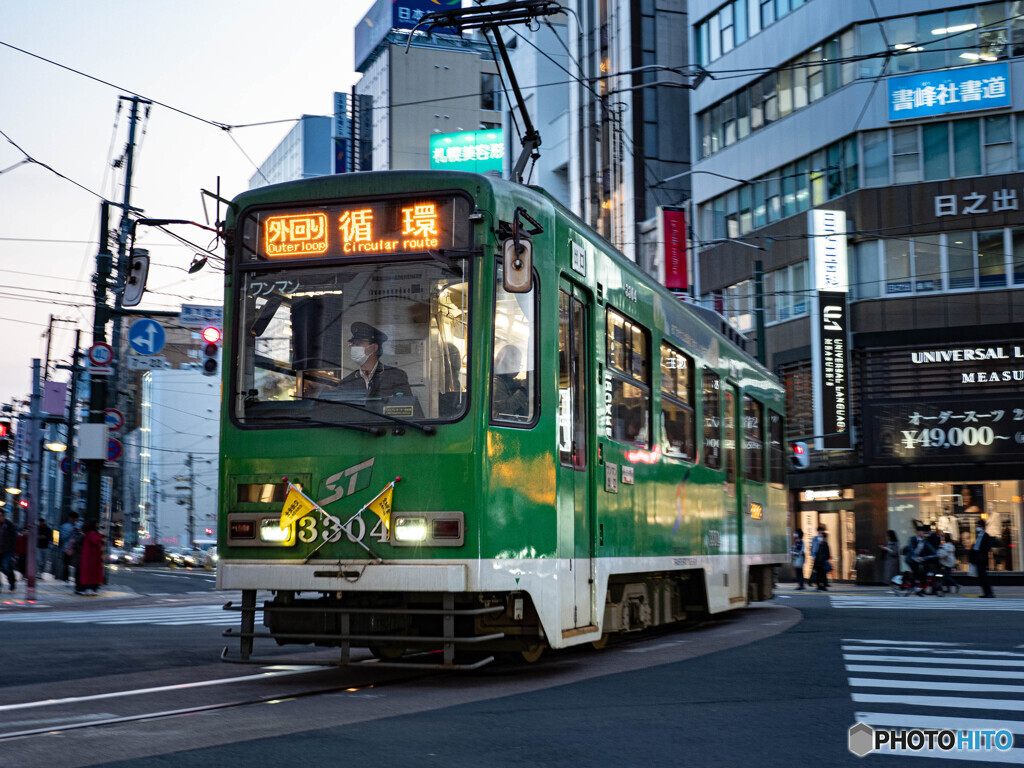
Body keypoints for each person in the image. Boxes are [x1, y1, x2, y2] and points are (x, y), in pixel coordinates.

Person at [334, 322, 412, 401]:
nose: (354, 347)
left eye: (359, 343)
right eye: (353, 344)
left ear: (374, 347)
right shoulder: (346, 383)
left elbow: (407, 408)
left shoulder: (396, 376)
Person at [492, 344, 529, 419]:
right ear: (503, 362)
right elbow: (505, 411)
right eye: (514, 363)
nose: (517, 367)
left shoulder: (508, 380)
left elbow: (516, 383)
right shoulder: (496, 383)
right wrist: (522, 391)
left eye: (519, 364)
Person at [908, 525, 939, 595]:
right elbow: (911, 548)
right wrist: (916, 556)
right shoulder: (912, 539)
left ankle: (919, 588)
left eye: (924, 532)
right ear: (917, 532)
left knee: (922, 572)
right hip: (911, 558)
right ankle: (913, 586)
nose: (923, 533)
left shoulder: (924, 541)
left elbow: (931, 549)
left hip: (919, 559)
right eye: (922, 532)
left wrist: (935, 554)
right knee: (915, 571)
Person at [77, 520, 104, 594]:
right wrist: (101, 536)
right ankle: (90, 589)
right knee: (92, 574)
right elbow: (96, 540)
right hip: (92, 557)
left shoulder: (88, 533)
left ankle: (85, 589)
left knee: (87, 574)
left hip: (89, 557)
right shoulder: (92, 533)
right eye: (97, 523)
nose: (98, 525)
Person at [970, 522, 995, 598]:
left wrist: (981, 555)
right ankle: (986, 592)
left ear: (982, 527)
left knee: (983, 576)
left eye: (979, 526)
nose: (977, 528)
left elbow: (986, 548)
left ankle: (989, 593)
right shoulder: (979, 536)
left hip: (982, 559)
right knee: (980, 576)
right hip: (977, 558)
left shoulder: (986, 536)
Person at [58, 512, 80, 582]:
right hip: (66, 548)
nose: (74, 520)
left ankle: (76, 579)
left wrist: (78, 532)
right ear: (69, 518)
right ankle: (66, 578)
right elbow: (62, 537)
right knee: (66, 564)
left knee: (77, 564)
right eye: (73, 519)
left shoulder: (79, 526)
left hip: (76, 549)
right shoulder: (65, 526)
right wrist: (71, 532)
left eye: (75, 519)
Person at [0, 509, 17, 591]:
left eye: (1, 516)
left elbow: (14, 538)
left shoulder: (9, 525)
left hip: (7, 550)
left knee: (6, 566)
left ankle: (12, 581)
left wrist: (12, 549)